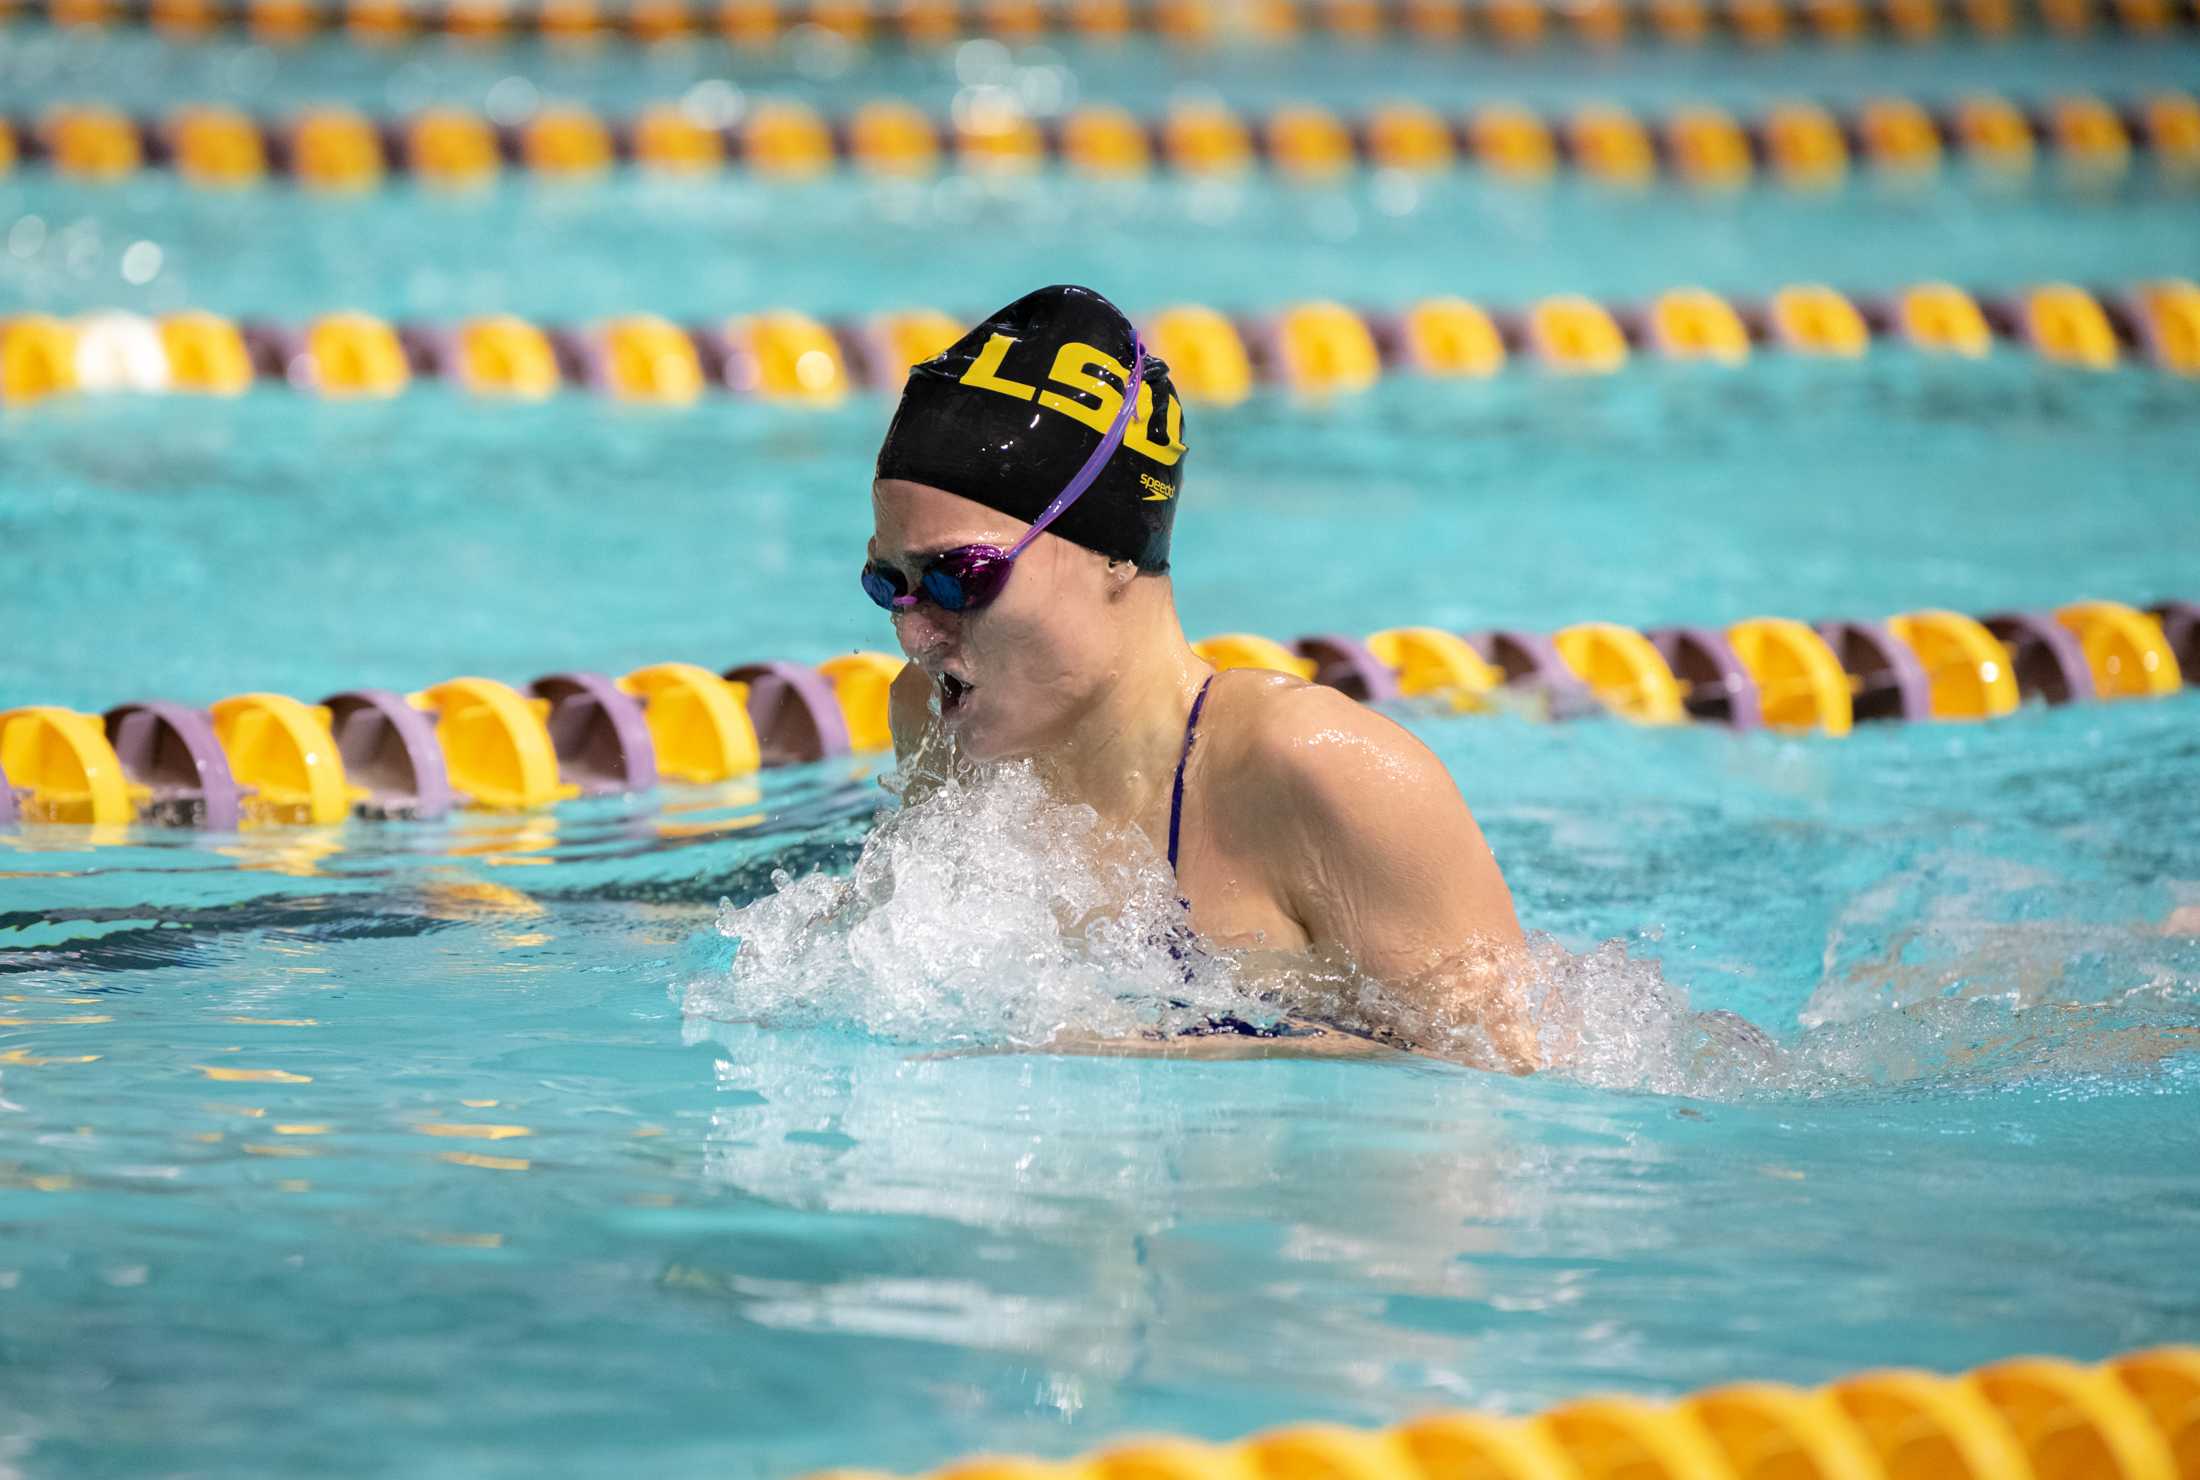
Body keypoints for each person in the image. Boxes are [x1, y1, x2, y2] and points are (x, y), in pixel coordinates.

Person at [862, 285, 1536, 1072]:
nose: (915, 632)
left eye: (957, 578)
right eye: (889, 583)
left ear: (1113, 553)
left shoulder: (1323, 772)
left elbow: (1504, 1074)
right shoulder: (937, 732)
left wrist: (1188, 1048)